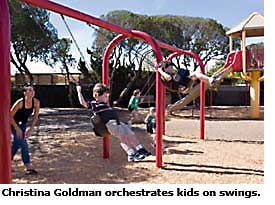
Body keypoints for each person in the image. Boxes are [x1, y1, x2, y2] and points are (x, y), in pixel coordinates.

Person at [76, 83, 151, 162]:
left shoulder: (105, 104)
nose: (107, 98)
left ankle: (140, 149)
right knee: (123, 137)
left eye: (108, 97)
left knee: (130, 133)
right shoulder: (95, 104)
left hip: (117, 122)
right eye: (105, 96)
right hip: (110, 124)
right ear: (97, 95)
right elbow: (83, 103)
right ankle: (131, 153)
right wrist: (79, 91)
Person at [10, 83, 40, 175]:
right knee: (23, 143)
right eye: (29, 90)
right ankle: (28, 165)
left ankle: (6, 162)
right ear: (25, 93)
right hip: (13, 124)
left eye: (33, 90)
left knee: (16, 144)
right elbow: (9, 116)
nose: (32, 92)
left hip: (23, 125)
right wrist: (17, 129)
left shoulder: (36, 102)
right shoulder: (20, 103)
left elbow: (35, 117)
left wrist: (30, 129)